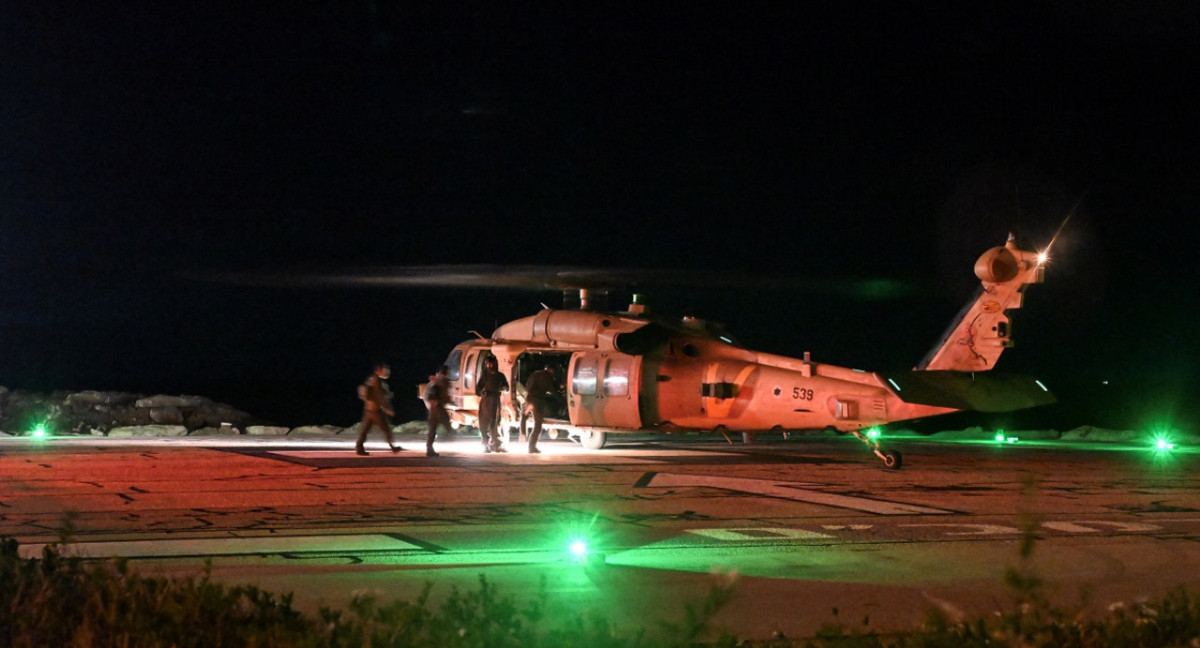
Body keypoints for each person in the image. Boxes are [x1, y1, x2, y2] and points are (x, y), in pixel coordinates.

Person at [356, 363, 401, 456]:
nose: (387, 372)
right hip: (375, 410)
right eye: (385, 370)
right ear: (378, 370)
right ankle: (393, 447)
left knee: (365, 430)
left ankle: (359, 447)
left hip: (368, 409)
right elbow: (379, 396)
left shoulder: (371, 379)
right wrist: (387, 408)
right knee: (385, 428)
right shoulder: (377, 380)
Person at [523, 364, 560, 454]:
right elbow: (551, 389)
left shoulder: (534, 374)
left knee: (524, 417)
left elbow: (527, 386)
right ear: (551, 370)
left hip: (528, 399)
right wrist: (559, 397)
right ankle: (531, 447)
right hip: (536, 401)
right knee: (538, 424)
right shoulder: (546, 376)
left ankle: (523, 435)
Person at [475, 356, 509, 452]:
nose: (489, 365)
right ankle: (485, 445)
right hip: (485, 402)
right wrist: (482, 392)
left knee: (494, 422)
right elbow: (477, 389)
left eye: (490, 363)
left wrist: (504, 388)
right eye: (487, 364)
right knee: (483, 422)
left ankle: (495, 444)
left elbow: (506, 387)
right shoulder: (484, 376)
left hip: (495, 402)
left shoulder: (500, 376)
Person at [423, 365, 451, 457]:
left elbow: (427, 393)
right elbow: (442, 393)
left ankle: (429, 449)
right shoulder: (442, 381)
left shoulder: (434, 381)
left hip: (432, 407)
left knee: (432, 429)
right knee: (447, 424)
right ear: (446, 372)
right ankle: (451, 439)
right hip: (437, 407)